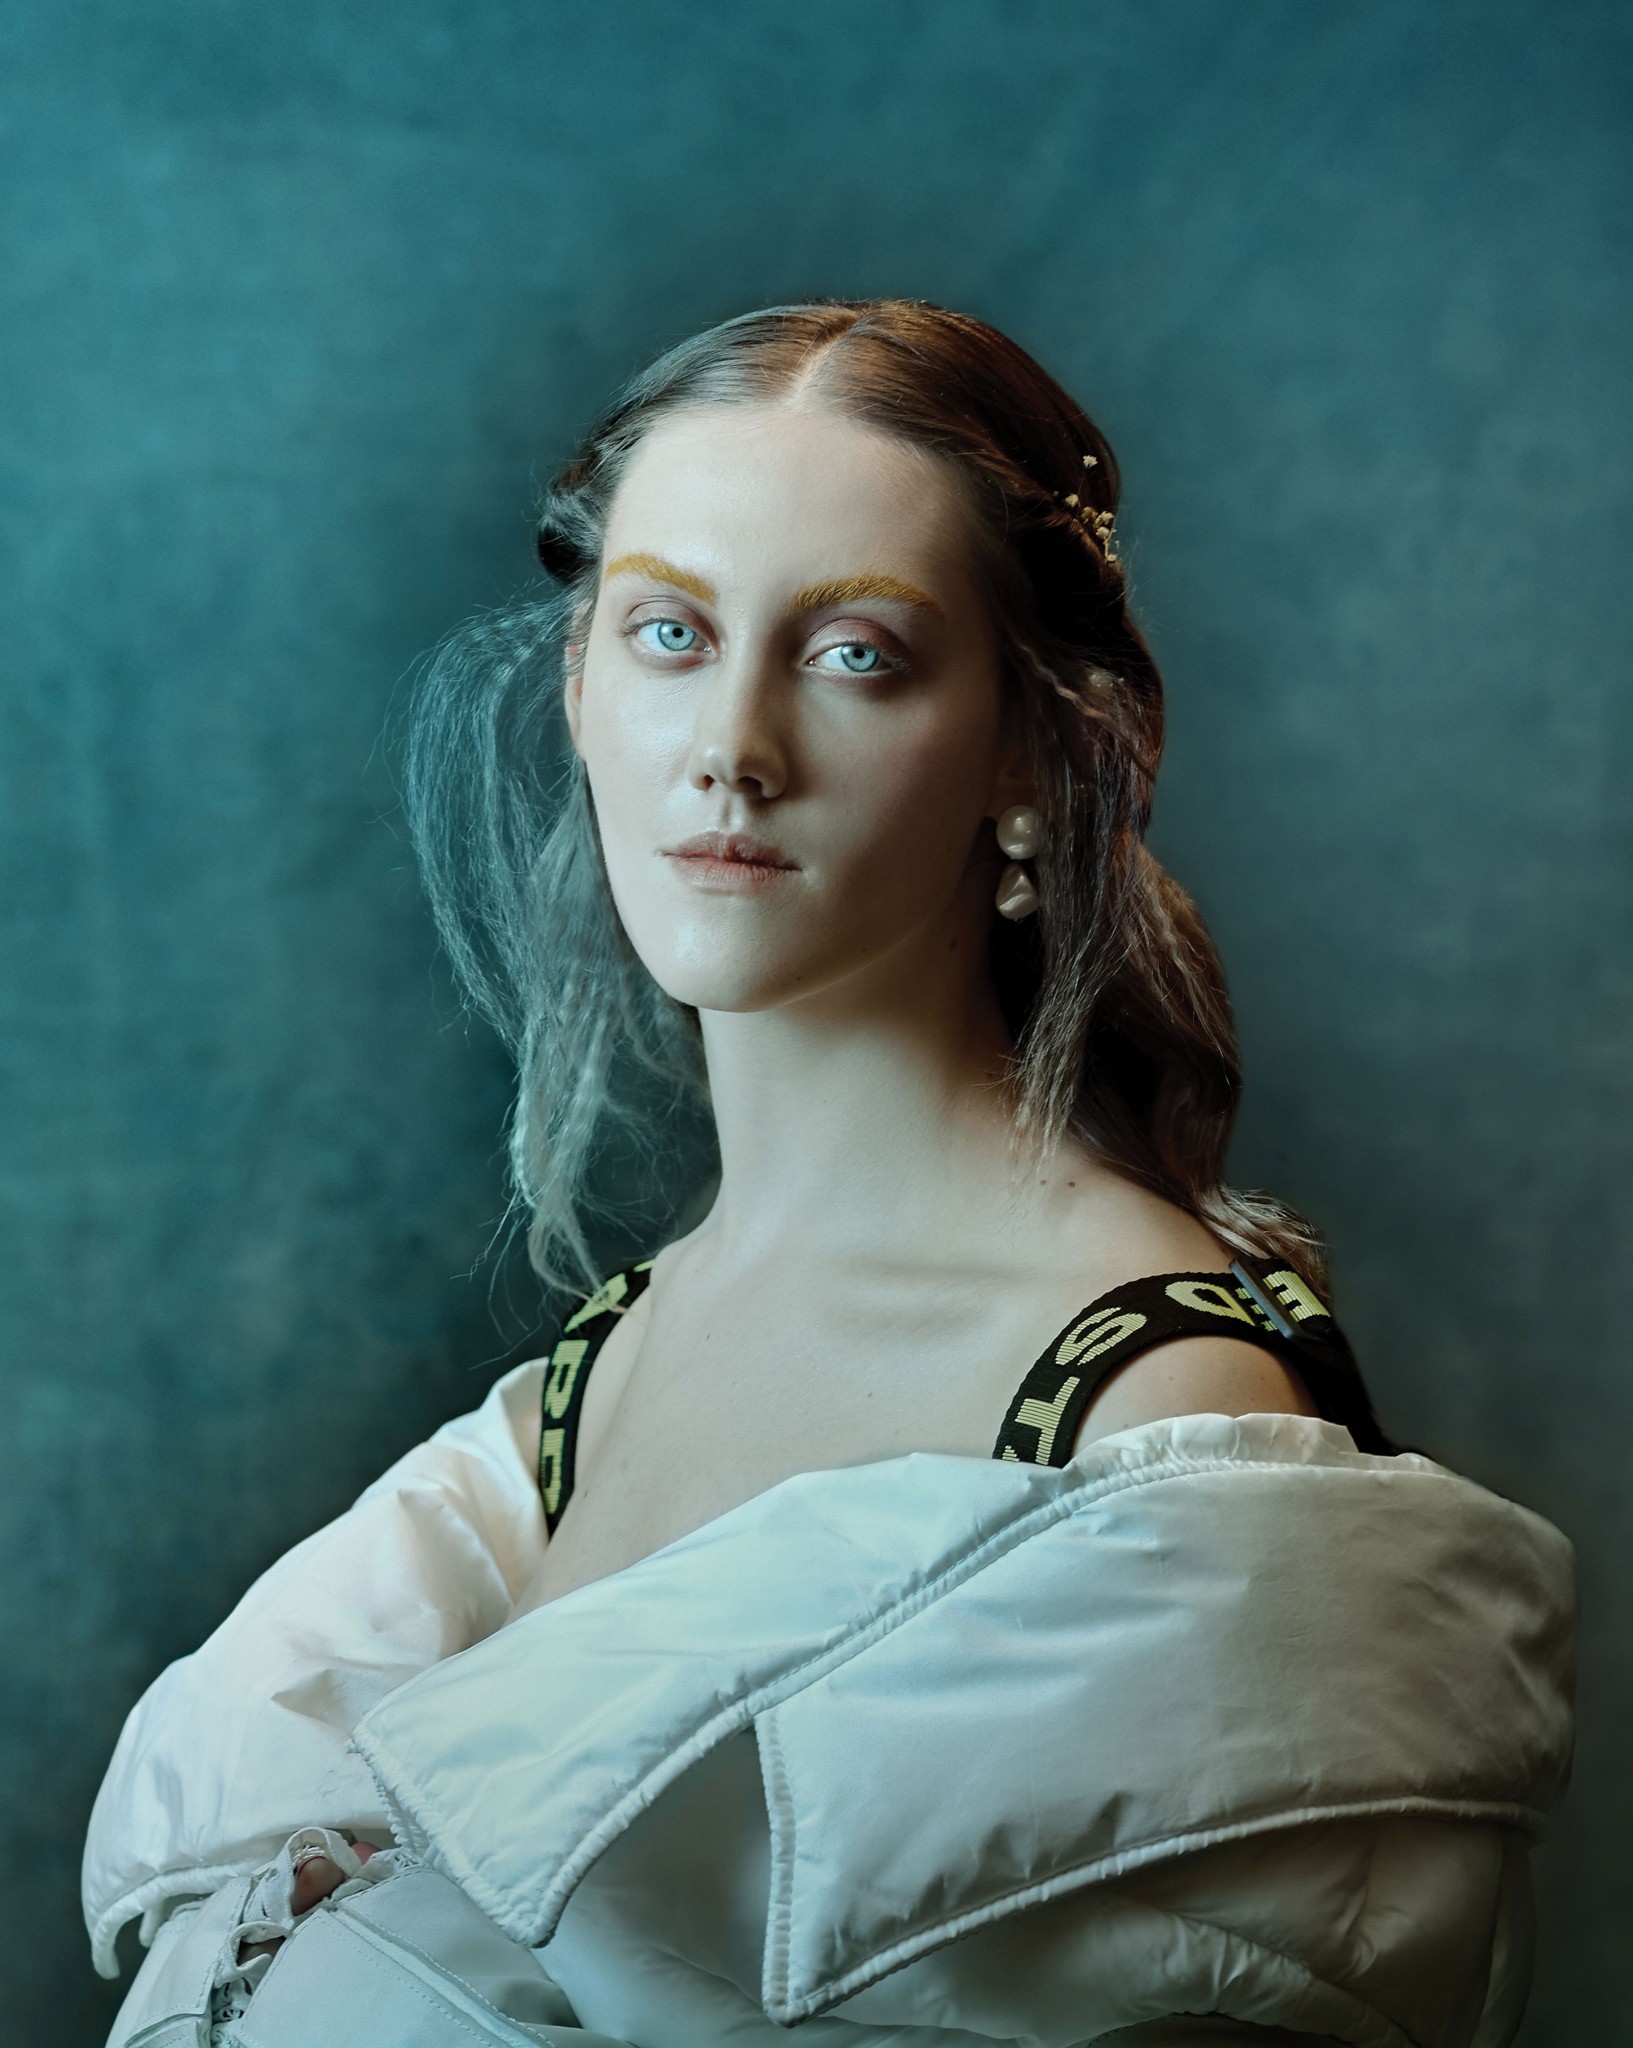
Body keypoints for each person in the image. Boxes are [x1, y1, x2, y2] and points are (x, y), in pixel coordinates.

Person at [85, 302, 1574, 2048]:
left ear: (1027, 749)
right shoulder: (593, 1376)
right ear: (579, 690)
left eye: (855, 653)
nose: (732, 744)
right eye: (668, 632)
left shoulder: (1148, 1411)